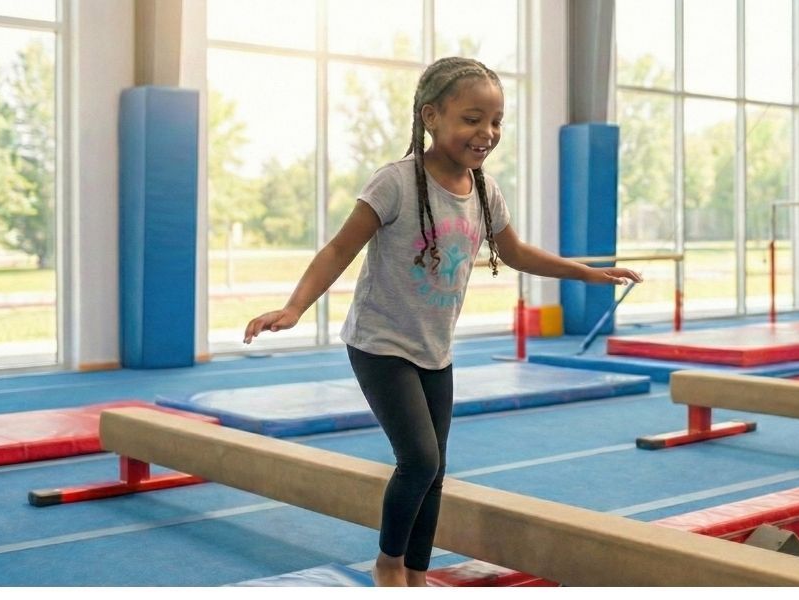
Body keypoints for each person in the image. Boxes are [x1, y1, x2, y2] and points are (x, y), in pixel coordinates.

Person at [242, 57, 642, 587]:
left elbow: (516, 252)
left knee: (435, 473)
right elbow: (340, 248)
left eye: (496, 121)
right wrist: (295, 308)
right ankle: (388, 562)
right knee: (419, 460)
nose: (487, 133)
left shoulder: (483, 189)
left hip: (436, 349)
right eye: (472, 119)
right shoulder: (396, 183)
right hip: (380, 343)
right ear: (431, 116)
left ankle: (416, 571)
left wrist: (586, 274)